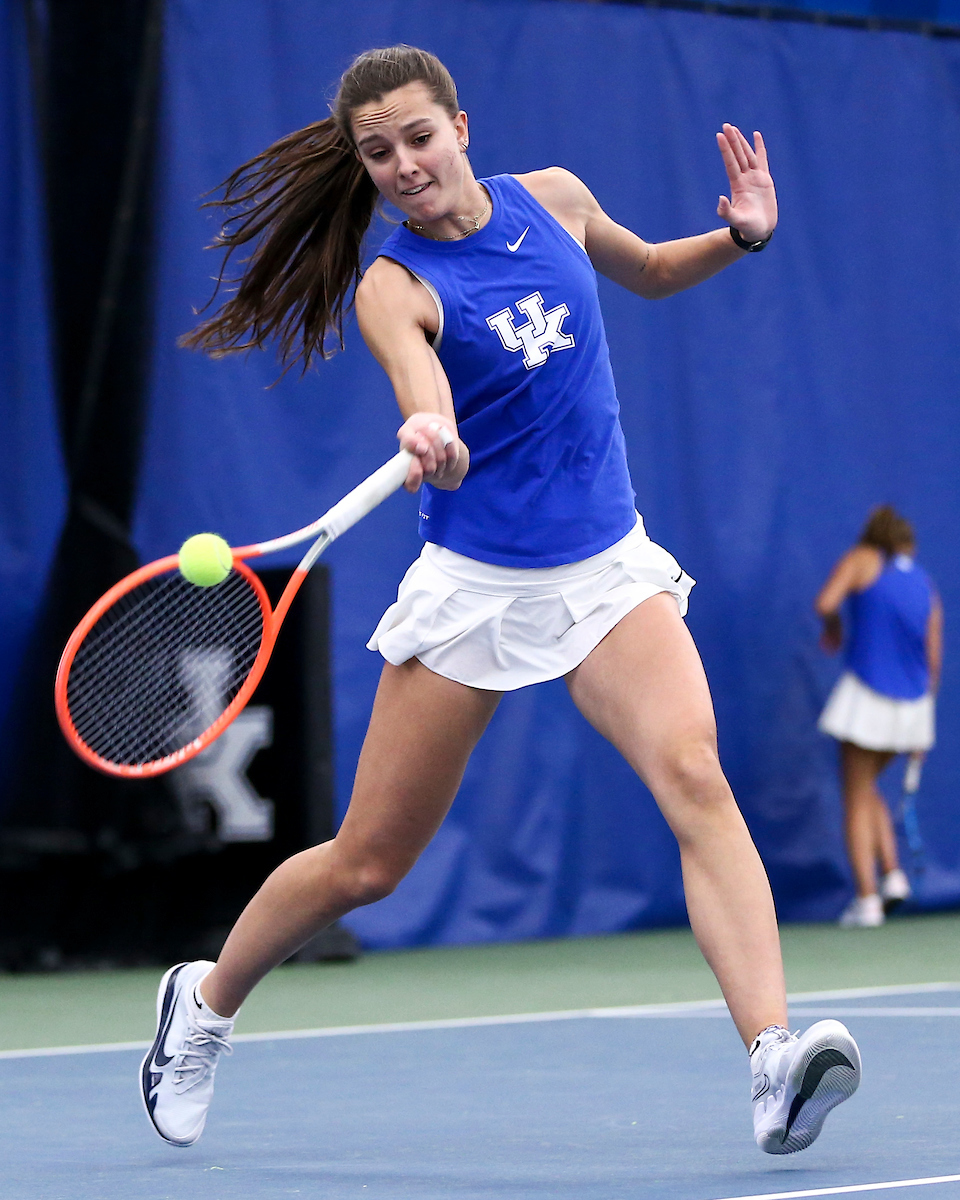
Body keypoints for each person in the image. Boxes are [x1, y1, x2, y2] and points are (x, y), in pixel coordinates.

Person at [140, 45, 861, 1156]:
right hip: (476, 587)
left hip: (605, 569)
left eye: (419, 138)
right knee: (370, 864)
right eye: (378, 154)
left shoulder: (556, 198)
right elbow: (418, 377)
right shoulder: (395, 285)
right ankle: (206, 1001)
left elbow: (656, 271)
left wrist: (742, 234)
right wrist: (427, 424)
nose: (403, 166)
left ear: (461, 126)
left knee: (694, 772)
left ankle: (772, 1062)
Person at [816, 505, 941, 928]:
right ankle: (892, 874)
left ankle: (867, 900)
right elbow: (934, 657)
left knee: (854, 795)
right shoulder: (924, 584)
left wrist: (834, 627)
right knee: (867, 786)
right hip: (913, 709)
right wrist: (923, 725)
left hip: (867, 698)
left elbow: (826, 601)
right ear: (907, 544)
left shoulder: (861, 559)